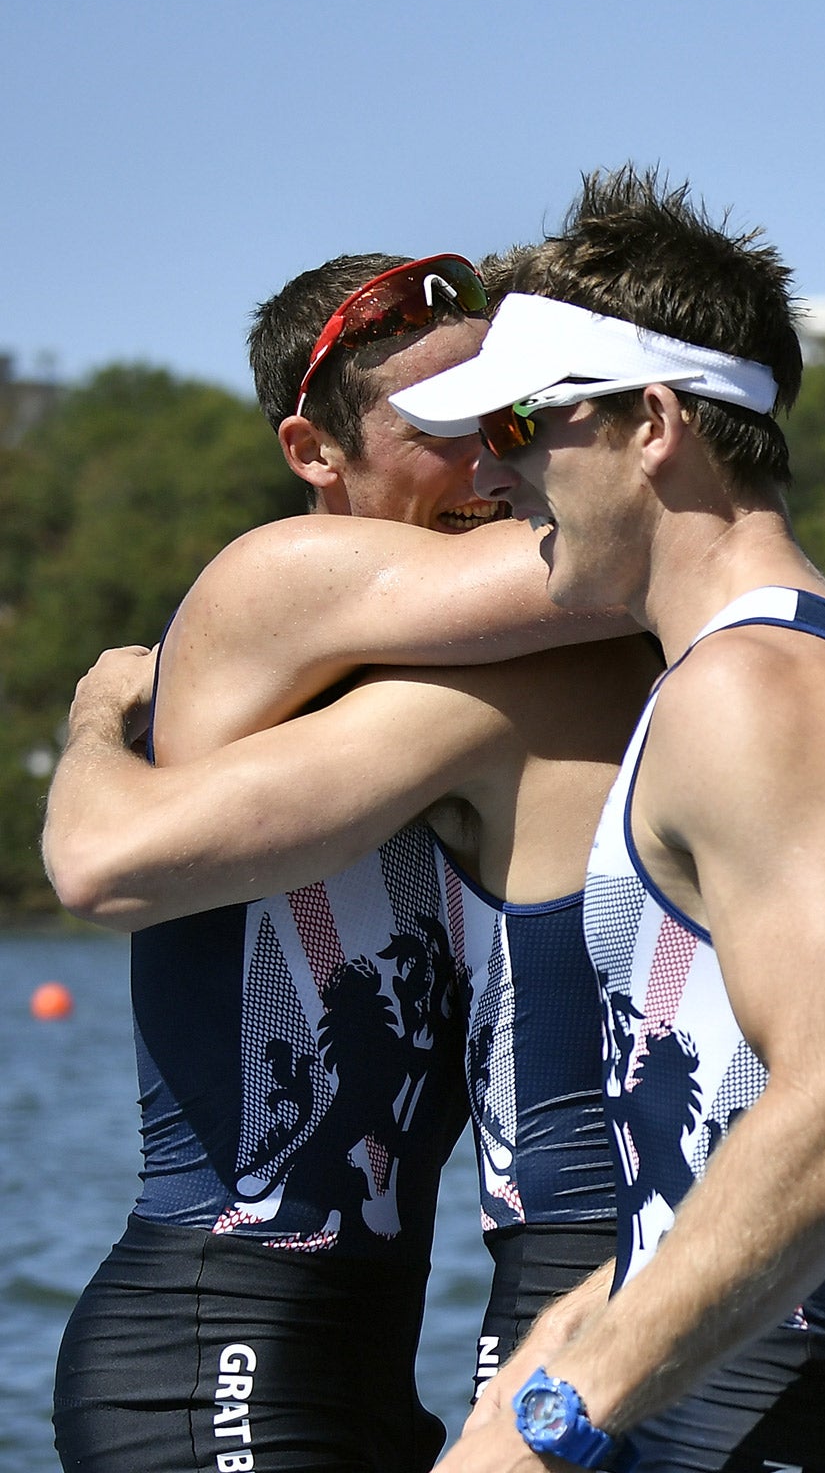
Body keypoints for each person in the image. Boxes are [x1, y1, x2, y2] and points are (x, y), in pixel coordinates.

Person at [384, 167, 825, 1473]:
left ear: (655, 423)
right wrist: (550, 1360)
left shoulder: (760, 692)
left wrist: (559, 1415)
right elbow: (704, 1157)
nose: (496, 467)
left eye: (526, 423)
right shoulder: (779, 670)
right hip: (737, 1401)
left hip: (789, 1419)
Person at [42, 251, 655, 1471]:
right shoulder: (284, 577)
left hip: (367, 1357)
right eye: (443, 422)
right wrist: (97, 727)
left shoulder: (480, 662)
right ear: (314, 454)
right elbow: (652, 555)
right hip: (207, 1335)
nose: (494, 456)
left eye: (511, 413)